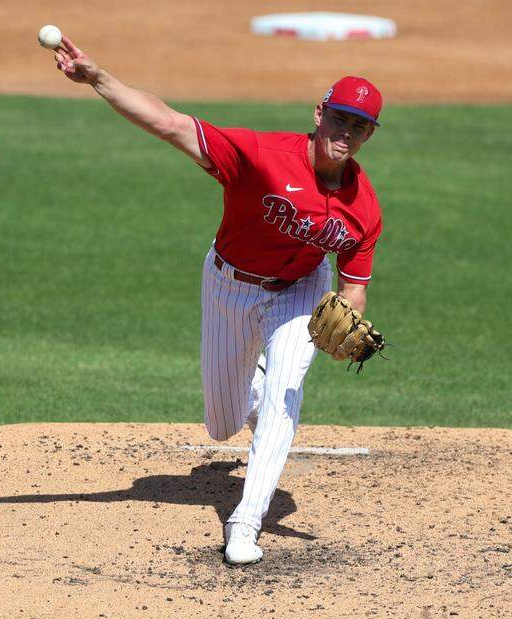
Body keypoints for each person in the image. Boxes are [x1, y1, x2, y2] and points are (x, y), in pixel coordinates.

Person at [50, 35, 384, 565]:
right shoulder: (261, 155)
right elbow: (173, 124)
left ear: (369, 134)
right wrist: (98, 78)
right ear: (320, 113)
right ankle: (253, 388)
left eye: (359, 126)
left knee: (285, 397)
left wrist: (346, 320)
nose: (346, 132)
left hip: (299, 291)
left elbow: (354, 287)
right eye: (340, 118)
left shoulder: (363, 208)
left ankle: (246, 521)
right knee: (223, 422)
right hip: (229, 283)